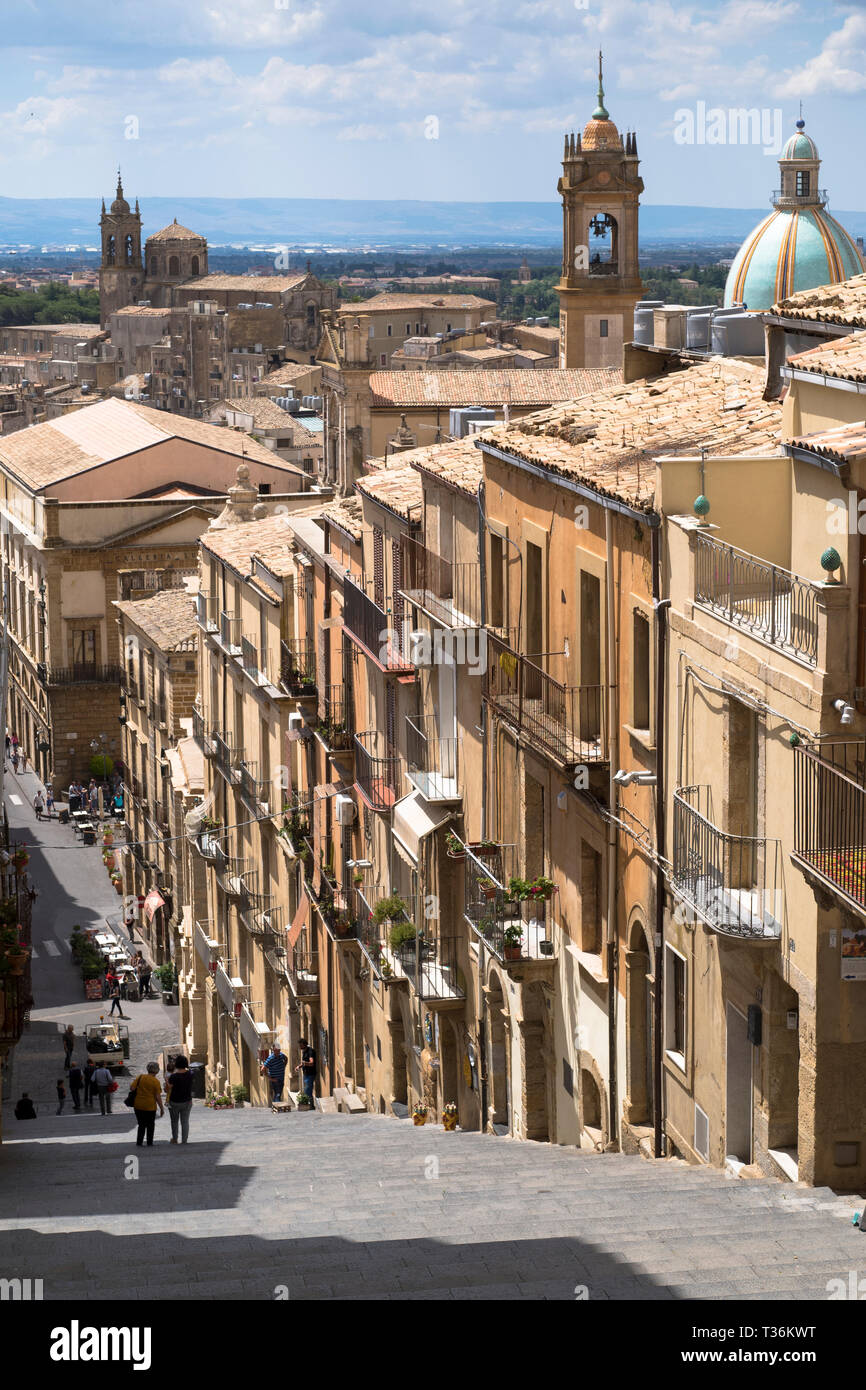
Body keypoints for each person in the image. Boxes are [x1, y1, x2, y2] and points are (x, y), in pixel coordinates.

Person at [129, 1062, 164, 1147]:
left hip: (138, 1105)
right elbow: (157, 1097)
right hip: (150, 1106)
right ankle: (149, 1142)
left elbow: (132, 1088)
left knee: (141, 1124)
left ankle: (139, 1142)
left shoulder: (140, 1077)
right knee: (150, 1124)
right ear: (157, 1071)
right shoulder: (155, 1081)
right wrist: (162, 1108)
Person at [165, 1055, 194, 1144]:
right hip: (187, 1101)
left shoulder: (173, 1076)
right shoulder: (191, 1074)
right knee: (185, 1121)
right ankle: (184, 1140)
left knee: (174, 1121)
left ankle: (175, 1139)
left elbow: (168, 1089)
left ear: (176, 1064)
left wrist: (166, 1080)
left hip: (174, 1101)